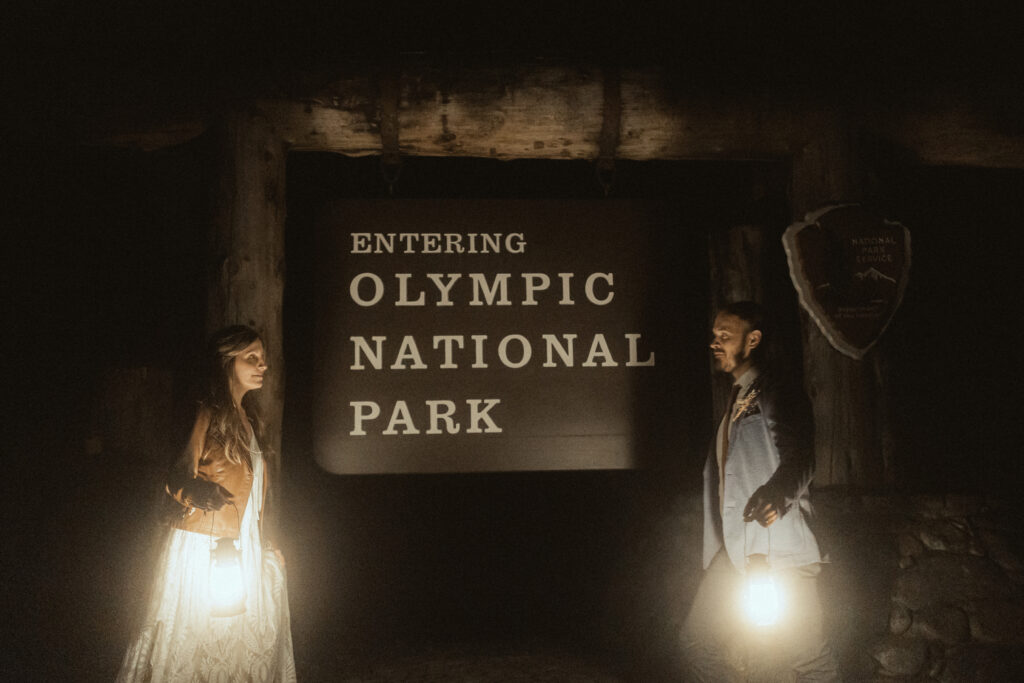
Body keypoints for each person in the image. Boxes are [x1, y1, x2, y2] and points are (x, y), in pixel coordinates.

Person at [117, 325, 297, 682]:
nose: (262, 365)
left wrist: (265, 539)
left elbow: (255, 490)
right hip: (203, 542)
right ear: (226, 362)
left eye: (263, 359)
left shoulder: (250, 419)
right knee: (195, 635)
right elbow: (176, 476)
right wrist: (200, 493)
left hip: (242, 543)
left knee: (236, 635)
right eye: (252, 358)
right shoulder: (206, 413)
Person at [680, 301, 838, 682]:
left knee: (810, 659)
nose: (714, 343)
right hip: (736, 552)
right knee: (697, 644)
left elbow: (800, 456)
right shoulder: (738, 399)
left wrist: (778, 494)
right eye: (714, 336)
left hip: (779, 551)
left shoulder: (777, 390)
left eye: (725, 336)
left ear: (752, 340)